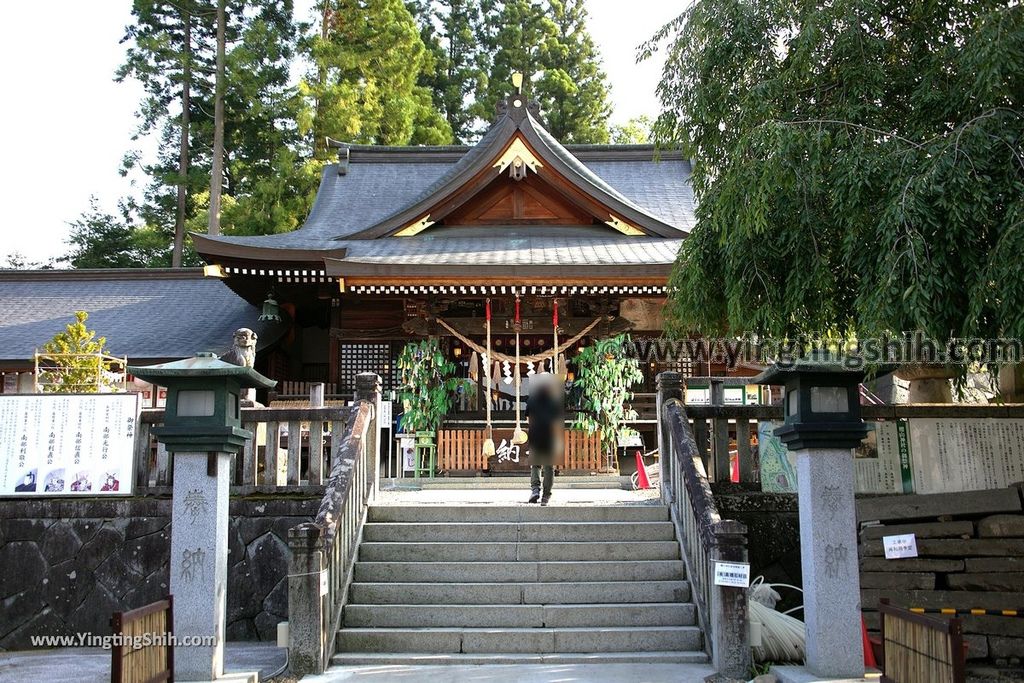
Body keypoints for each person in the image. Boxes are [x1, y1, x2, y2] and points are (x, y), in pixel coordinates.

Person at [525, 372, 564, 505]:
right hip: (548, 435)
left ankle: (535, 489)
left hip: (535, 435)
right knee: (548, 467)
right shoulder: (554, 402)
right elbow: (557, 423)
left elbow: (528, 419)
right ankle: (546, 496)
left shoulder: (531, 400)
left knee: (535, 464)